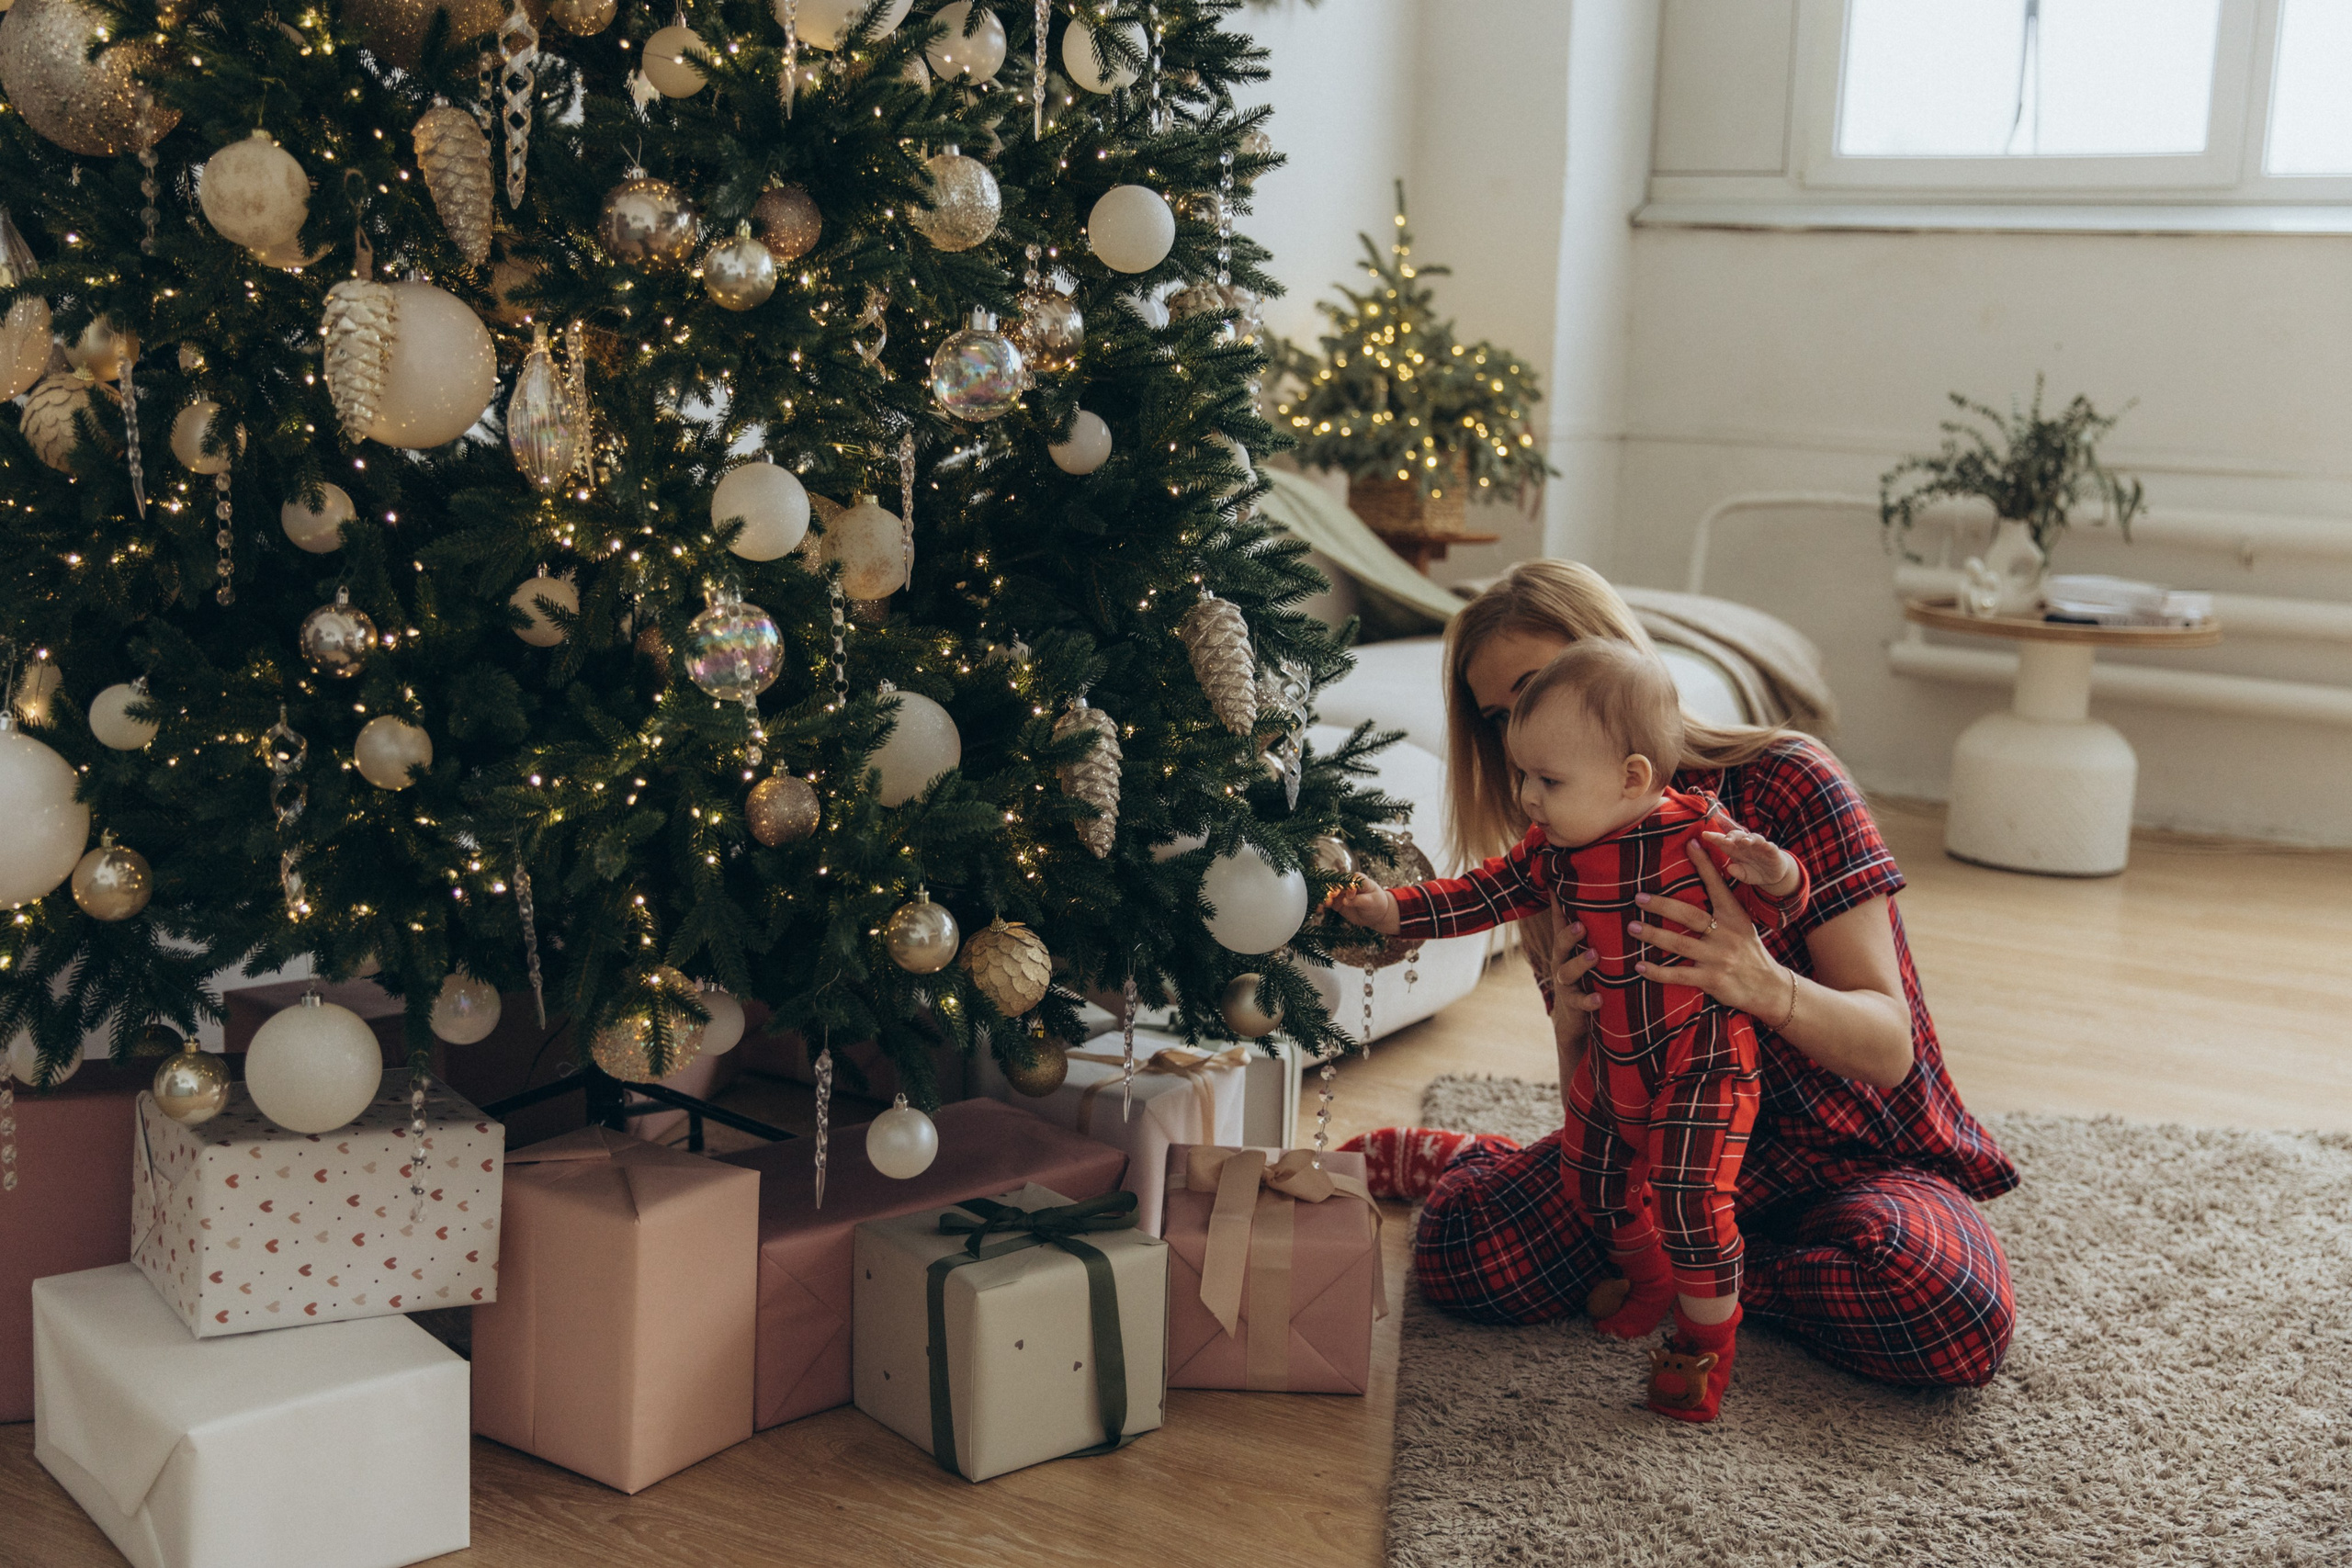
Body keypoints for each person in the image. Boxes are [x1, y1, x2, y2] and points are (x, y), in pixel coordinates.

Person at [1340, 559, 2018, 1391]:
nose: (1526, 726)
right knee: (1463, 1255)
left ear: (1616, 662)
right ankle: (1640, 1233)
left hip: (1852, 1158)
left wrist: (1760, 979)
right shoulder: (1560, 844)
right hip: (1664, 1155)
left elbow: (1887, 1050)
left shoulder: (1785, 780)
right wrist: (1570, 1032)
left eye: (1540, 683)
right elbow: (1604, 1103)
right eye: (1500, 716)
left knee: (1944, 1309)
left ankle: (1711, 1272)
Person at [1337, 640, 1809, 1421]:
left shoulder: (1701, 834)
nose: (1527, 796)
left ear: (1631, 776)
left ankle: (1701, 1346)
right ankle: (1650, 1273)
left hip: (1703, 1059)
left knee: (1693, 1199)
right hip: (1616, 1062)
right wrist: (1394, 910)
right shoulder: (1550, 855)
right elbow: (1477, 895)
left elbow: (1774, 912)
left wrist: (1780, 875)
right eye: (1523, 774)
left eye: (1548, 780)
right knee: (1589, 1183)